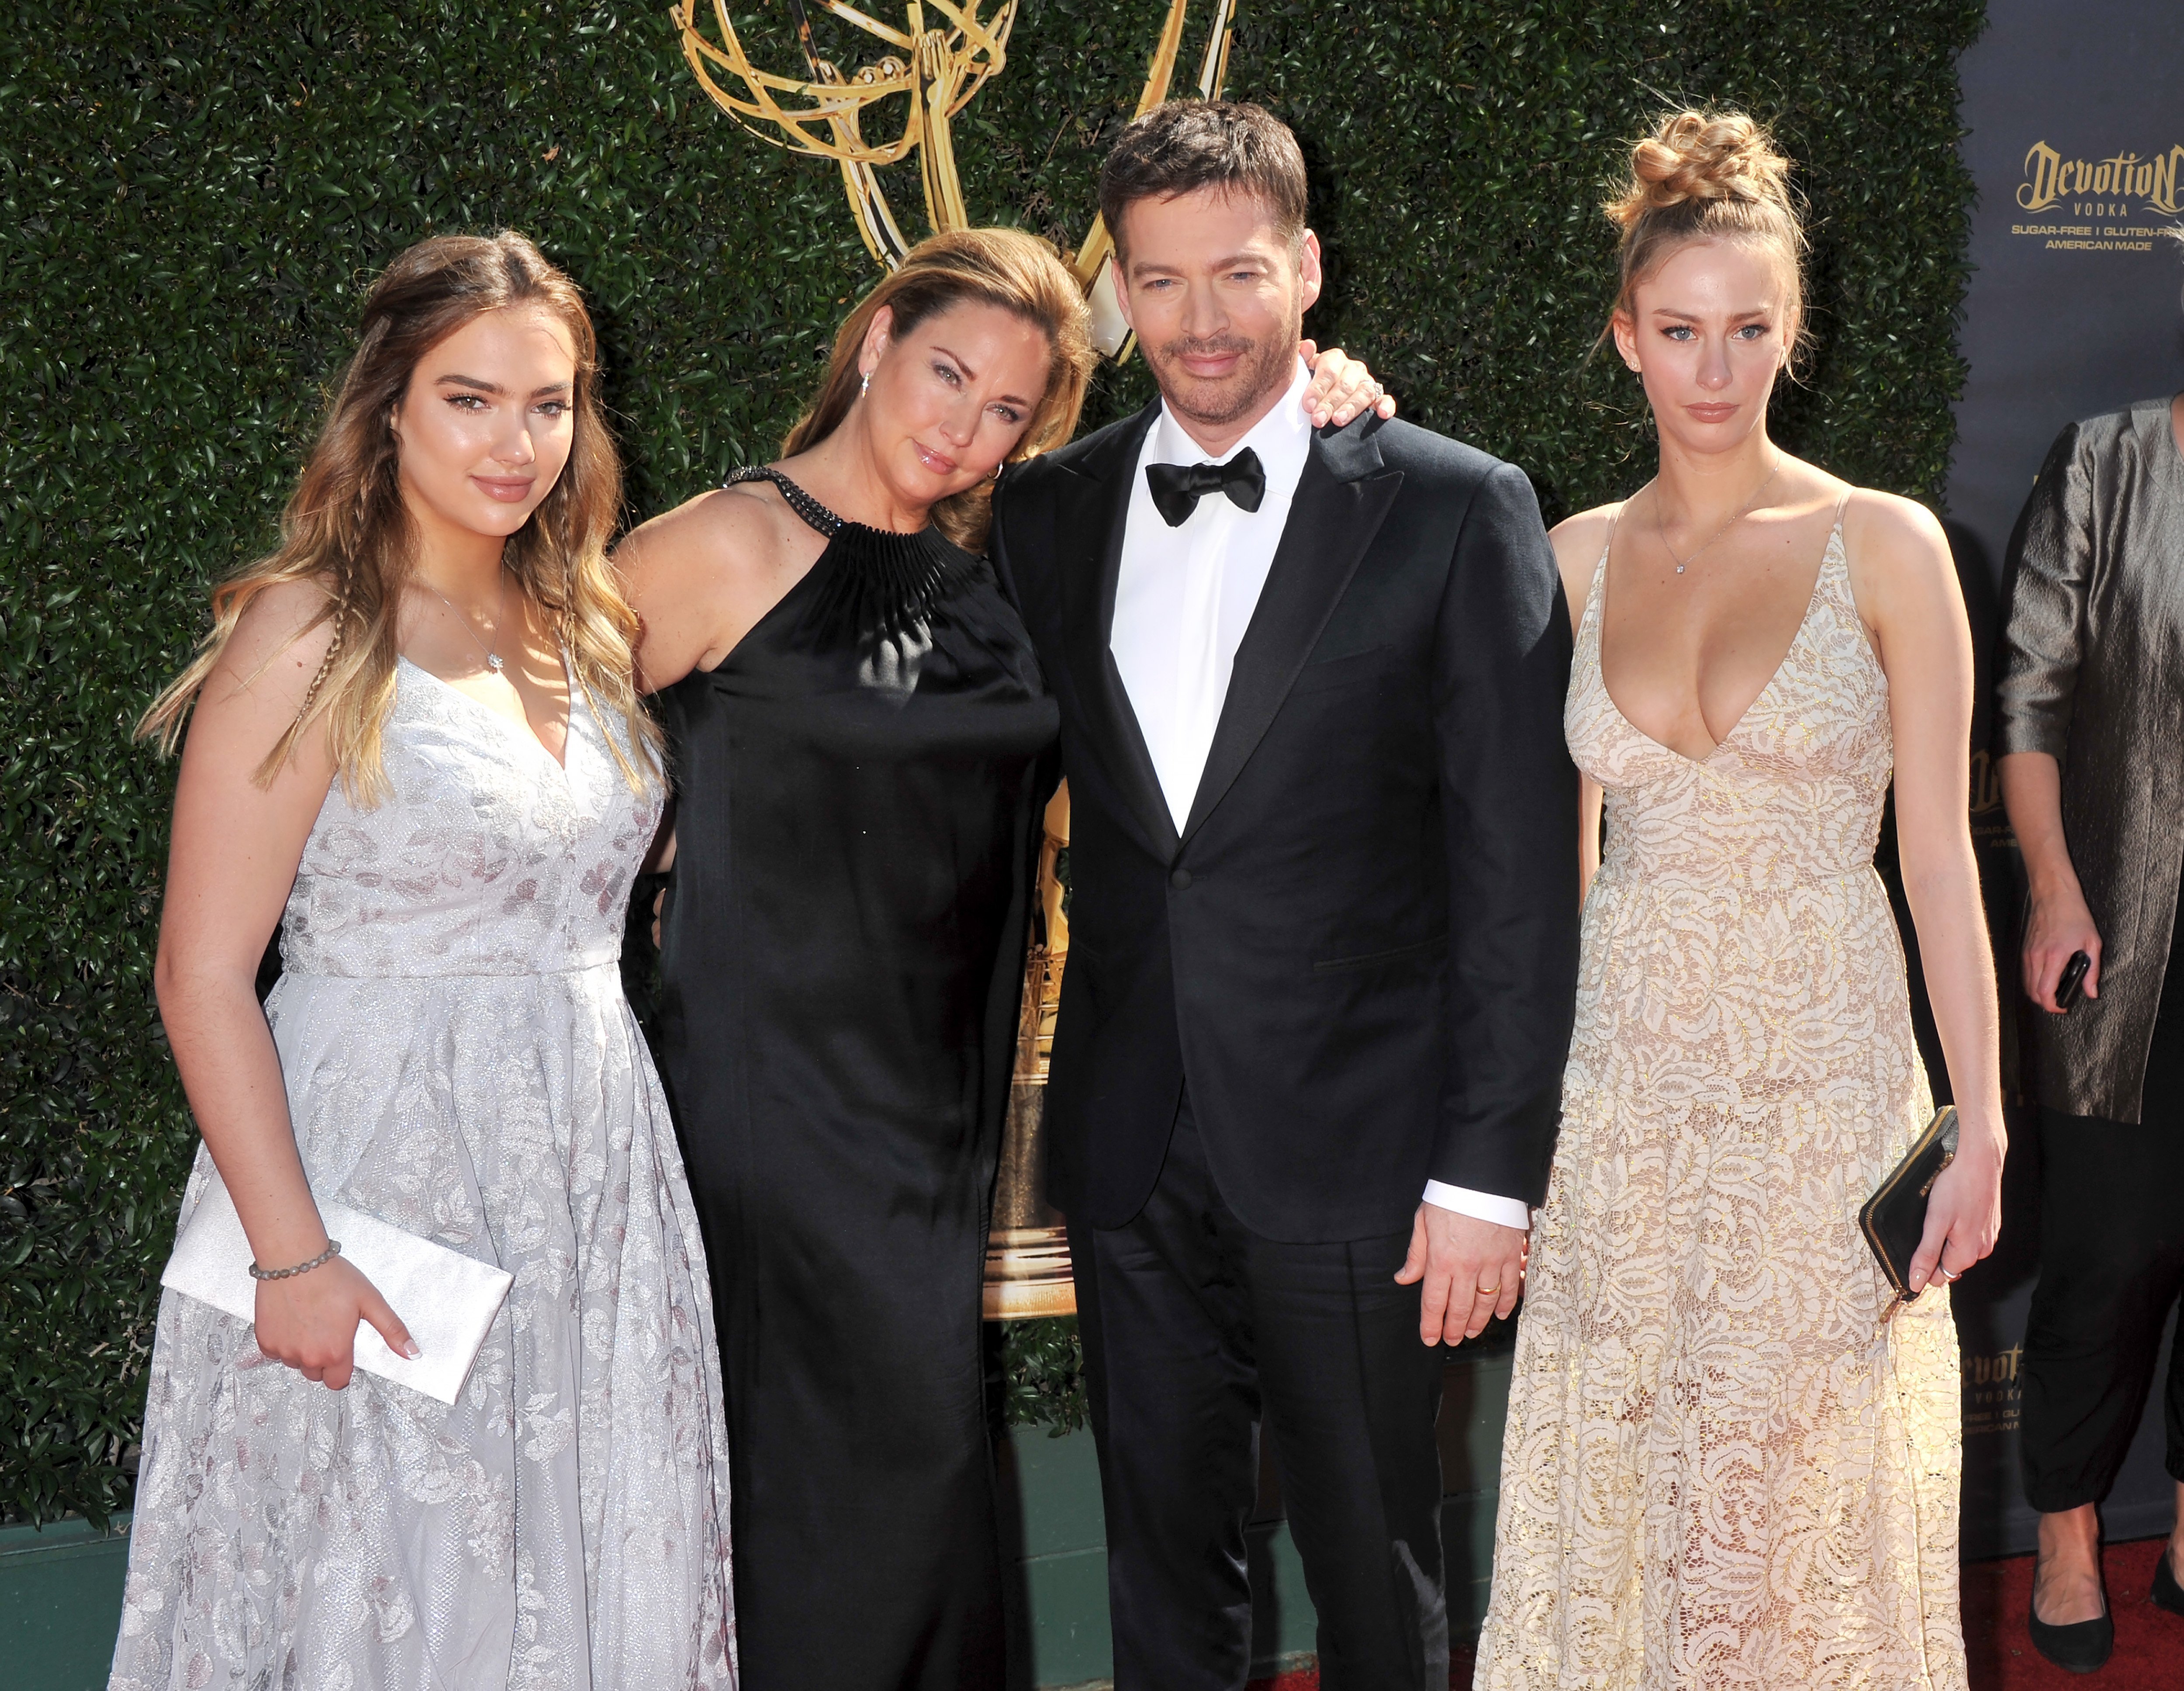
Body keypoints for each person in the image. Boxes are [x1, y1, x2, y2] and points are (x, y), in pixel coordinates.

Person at [615, 225, 1390, 1691]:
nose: (963, 429)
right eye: (945, 375)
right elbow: (518, 753)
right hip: (768, 1101)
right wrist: (653, 862)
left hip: (935, 1108)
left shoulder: (995, 569)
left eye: (1007, 413)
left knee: (920, 1476)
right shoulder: (724, 545)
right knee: (825, 1484)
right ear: (875, 343)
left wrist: (1315, 390)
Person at [990, 101, 1580, 1690]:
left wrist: (1488, 1177)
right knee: (1162, 1575)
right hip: (1131, 1146)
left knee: (1379, 1563)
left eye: (1240, 275)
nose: (1202, 322)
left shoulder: (1456, 507)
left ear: (1308, 269)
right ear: (1119, 292)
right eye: (1161, 281)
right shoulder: (1046, 515)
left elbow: (1521, 877)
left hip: (1367, 1153)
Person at [112, 233, 736, 1690]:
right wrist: (293, 1257)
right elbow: (201, 974)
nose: (514, 443)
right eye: (469, 399)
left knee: (581, 1562)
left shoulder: (584, 622)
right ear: (387, 404)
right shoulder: (308, 631)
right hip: (376, 1177)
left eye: (549, 402)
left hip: (594, 1174)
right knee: (388, 1575)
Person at [1475, 111, 2004, 1689]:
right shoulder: (1562, 560)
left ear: (1794, 333)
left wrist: (1982, 1122)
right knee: (1627, 1485)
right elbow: (1540, 886)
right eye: (1683, 331)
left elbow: (1939, 860)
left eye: (1752, 330)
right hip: (1624, 1098)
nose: (1716, 370)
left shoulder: (1887, 546)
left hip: (1824, 1089)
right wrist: (1519, 1139)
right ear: (1625, 335)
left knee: (1801, 1506)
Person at [1995, 351, 2184, 1667]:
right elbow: (2029, 695)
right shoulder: (2107, 465)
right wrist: (2054, 887)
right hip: (2122, 936)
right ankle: (2067, 1536)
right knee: (2107, 1254)